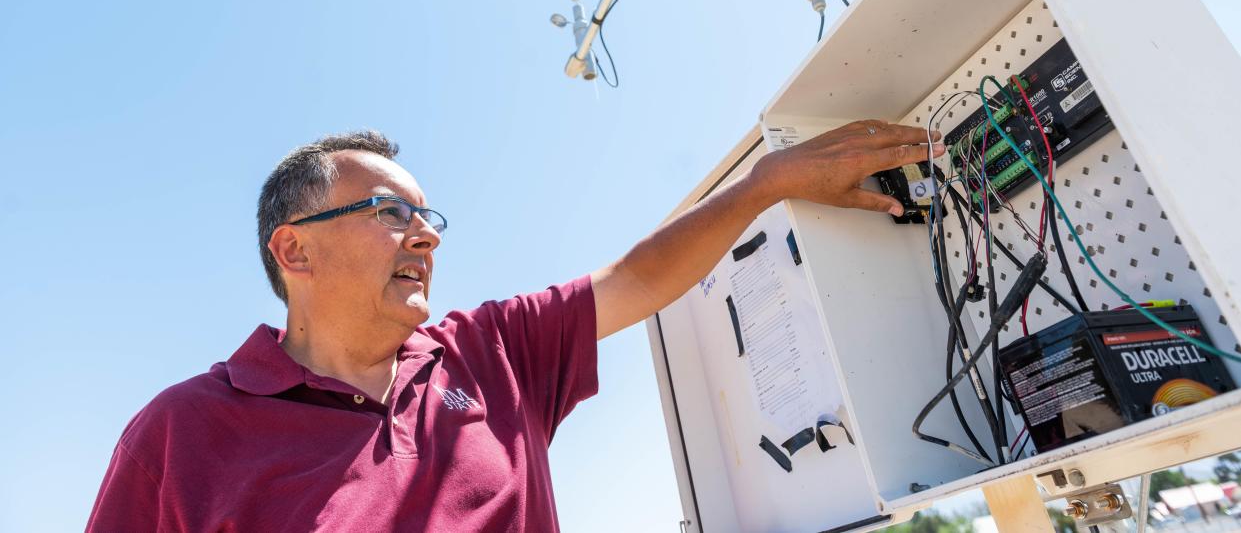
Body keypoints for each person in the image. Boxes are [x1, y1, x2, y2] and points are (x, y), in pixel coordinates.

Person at [87, 123, 941, 532]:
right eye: (389, 212)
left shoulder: (489, 352)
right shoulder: (180, 433)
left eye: (428, 217)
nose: (424, 235)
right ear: (293, 251)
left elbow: (637, 275)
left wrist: (765, 184)